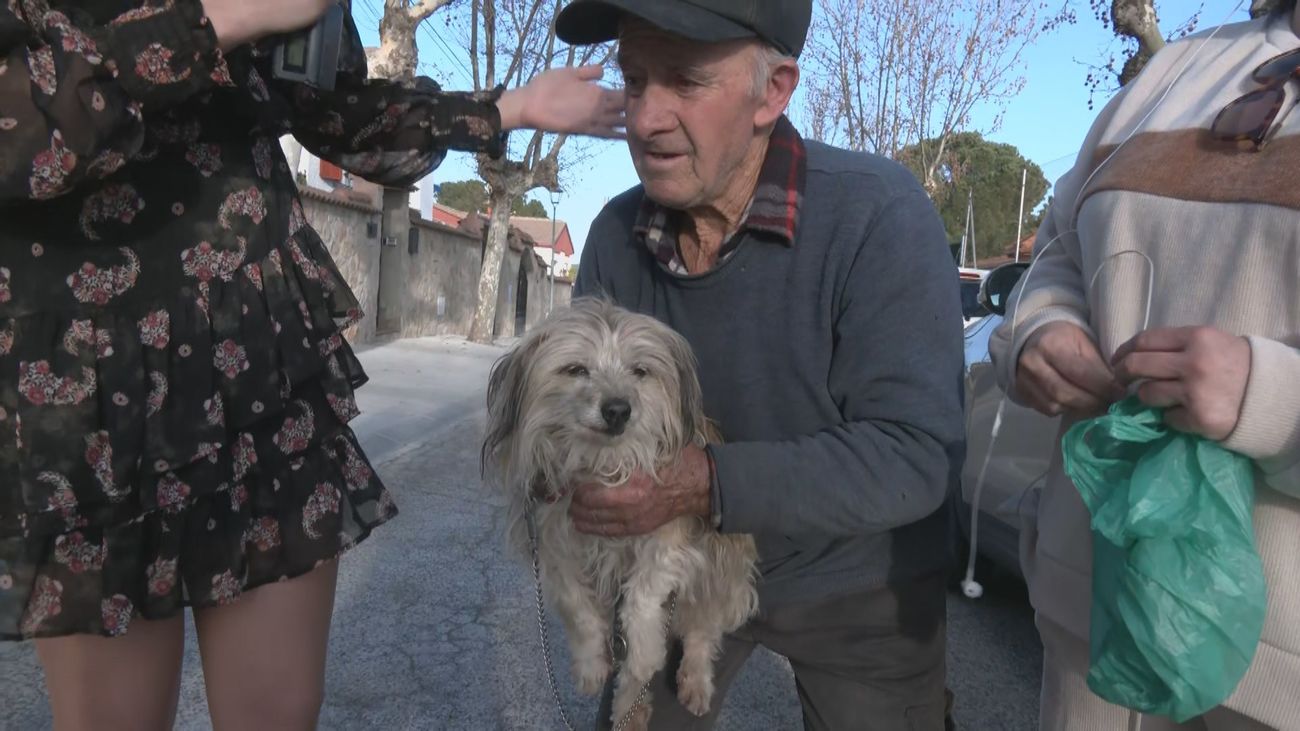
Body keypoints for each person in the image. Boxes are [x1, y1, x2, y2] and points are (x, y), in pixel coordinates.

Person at [0, 0, 622, 729]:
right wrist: (224, 18)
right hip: (93, 383)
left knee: (278, 711)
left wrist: (509, 109)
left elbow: (335, 109)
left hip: (258, 358)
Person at [554, 1, 966, 728]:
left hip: (856, 578)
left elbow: (916, 454)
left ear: (772, 92)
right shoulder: (616, 235)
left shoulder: (879, 216)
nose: (644, 119)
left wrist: (704, 482)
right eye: (635, 78)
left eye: (685, 80)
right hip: (675, 564)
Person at [988, 1, 1300, 728]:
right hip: (1091, 631)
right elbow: (1058, 248)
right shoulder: (1174, 71)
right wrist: (1039, 328)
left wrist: (1269, 398)